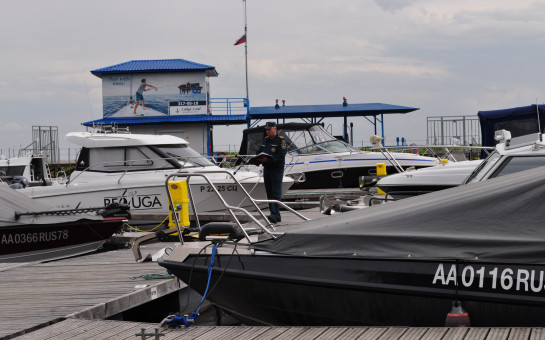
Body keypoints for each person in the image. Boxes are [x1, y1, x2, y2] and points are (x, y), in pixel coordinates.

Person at [255, 122, 287, 223]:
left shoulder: (281, 141)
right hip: (267, 169)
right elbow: (259, 151)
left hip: (276, 169)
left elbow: (280, 156)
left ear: (275, 129)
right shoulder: (265, 140)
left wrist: (267, 160)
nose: (267, 131)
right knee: (269, 192)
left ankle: (276, 215)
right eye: (266, 129)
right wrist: (258, 158)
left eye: (269, 129)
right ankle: (272, 214)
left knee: (276, 193)